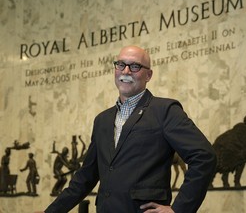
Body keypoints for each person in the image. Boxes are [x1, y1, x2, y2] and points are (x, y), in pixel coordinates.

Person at [44, 45, 217, 213]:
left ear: (148, 75)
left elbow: (204, 157)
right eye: (121, 65)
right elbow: (85, 178)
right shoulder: (102, 121)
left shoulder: (165, 110)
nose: (126, 71)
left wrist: (179, 210)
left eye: (135, 66)